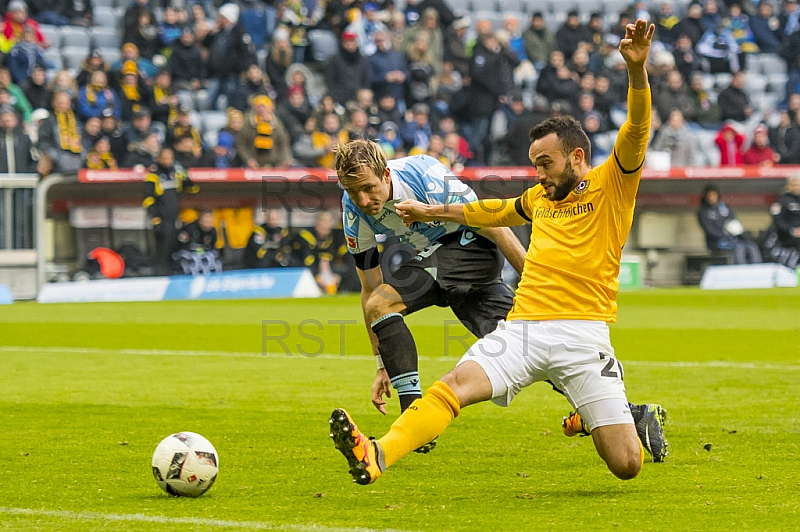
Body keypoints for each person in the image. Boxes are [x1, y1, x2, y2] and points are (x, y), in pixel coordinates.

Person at [329, 20, 668, 486]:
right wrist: (432, 211)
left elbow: (637, 127)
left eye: (545, 164)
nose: (539, 175)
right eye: (534, 166)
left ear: (576, 157)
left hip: (585, 334)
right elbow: (490, 211)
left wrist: (637, 71)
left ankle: (610, 417)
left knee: (626, 464)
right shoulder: (537, 199)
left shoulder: (614, 182)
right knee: (453, 387)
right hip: (525, 328)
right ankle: (378, 453)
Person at [142, 147, 199, 275]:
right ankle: (159, 275)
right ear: (159, 159)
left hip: (175, 219)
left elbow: (193, 189)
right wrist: (155, 218)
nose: (168, 160)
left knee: (173, 249)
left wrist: (185, 177)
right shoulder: (153, 176)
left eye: (170, 158)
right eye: (165, 157)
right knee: (162, 250)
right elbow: (148, 199)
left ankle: (170, 274)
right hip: (162, 220)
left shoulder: (176, 174)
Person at [697, 185, 762, 264]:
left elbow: (734, 223)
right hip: (716, 242)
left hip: (732, 239)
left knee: (751, 246)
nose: (713, 197)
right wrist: (725, 236)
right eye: (710, 195)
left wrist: (741, 236)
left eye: (714, 195)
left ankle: (757, 270)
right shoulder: (703, 212)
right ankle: (740, 271)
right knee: (738, 247)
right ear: (705, 197)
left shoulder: (724, 208)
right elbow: (709, 230)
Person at [763, 174, 800, 269]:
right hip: (786, 238)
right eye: (794, 185)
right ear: (788, 186)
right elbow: (778, 222)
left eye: (798, 184)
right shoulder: (782, 201)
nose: (796, 187)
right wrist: (792, 231)